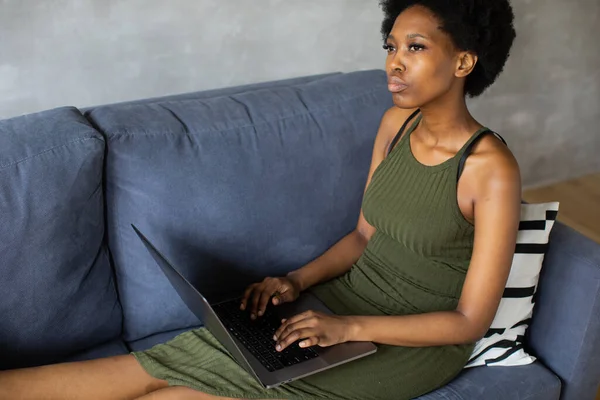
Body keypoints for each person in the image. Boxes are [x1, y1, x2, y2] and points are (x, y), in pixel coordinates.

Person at [0, 1, 521, 399]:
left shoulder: (490, 169)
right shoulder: (394, 124)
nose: (394, 63)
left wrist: (348, 328)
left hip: (411, 343)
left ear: (464, 62)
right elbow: (364, 236)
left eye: (415, 47)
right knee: (150, 367)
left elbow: (468, 322)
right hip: (340, 307)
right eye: (390, 47)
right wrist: (295, 282)